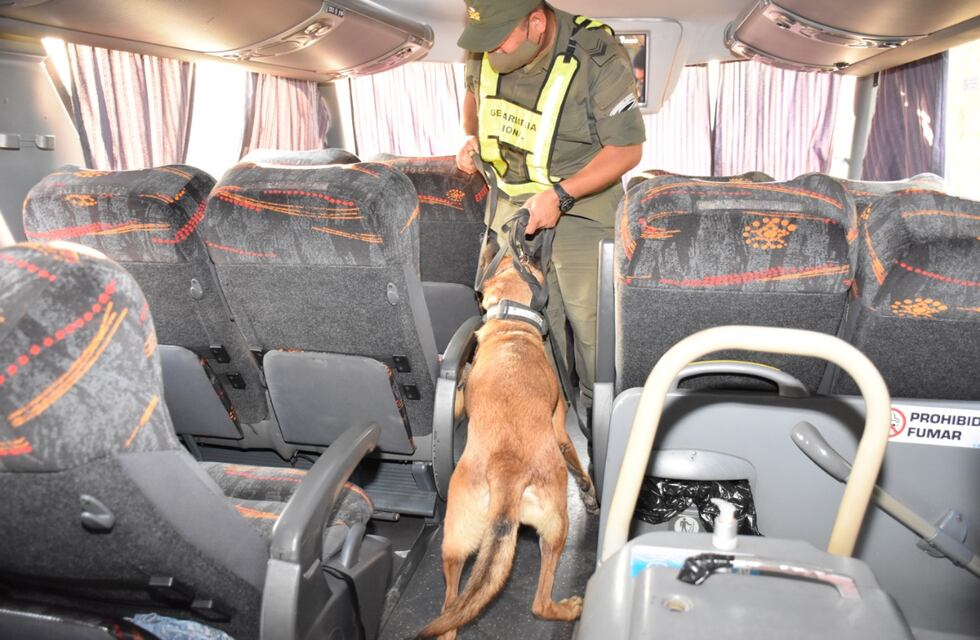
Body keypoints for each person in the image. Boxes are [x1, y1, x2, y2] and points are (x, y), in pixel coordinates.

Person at [455, 0, 645, 429]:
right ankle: (542, 425)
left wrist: (559, 195)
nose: (490, 52)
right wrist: (473, 146)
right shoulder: (483, 45)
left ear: (536, 23)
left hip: (584, 205)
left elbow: (627, 150)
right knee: (524, 331)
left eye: (500, 41)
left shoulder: (598, 52)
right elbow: (473, 117)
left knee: (593, 333)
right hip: (512, 208)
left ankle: (602, 432)